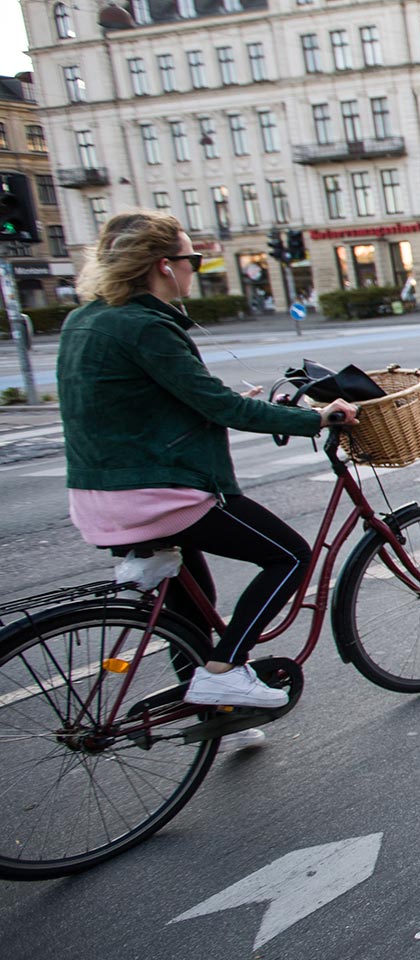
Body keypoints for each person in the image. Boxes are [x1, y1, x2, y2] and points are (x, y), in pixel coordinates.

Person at [57, 211, 358, 711]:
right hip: (152, 494)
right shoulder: (145, 325)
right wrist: (319, 418)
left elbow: (124, 403)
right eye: (191, 258)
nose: (195, 267)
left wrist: (218, 402)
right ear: (164, 265)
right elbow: (220, 408)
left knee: (192, 609)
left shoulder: (84, 319)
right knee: (289, 557)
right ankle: (223, 671)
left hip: (95, 495)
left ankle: (211, 708)